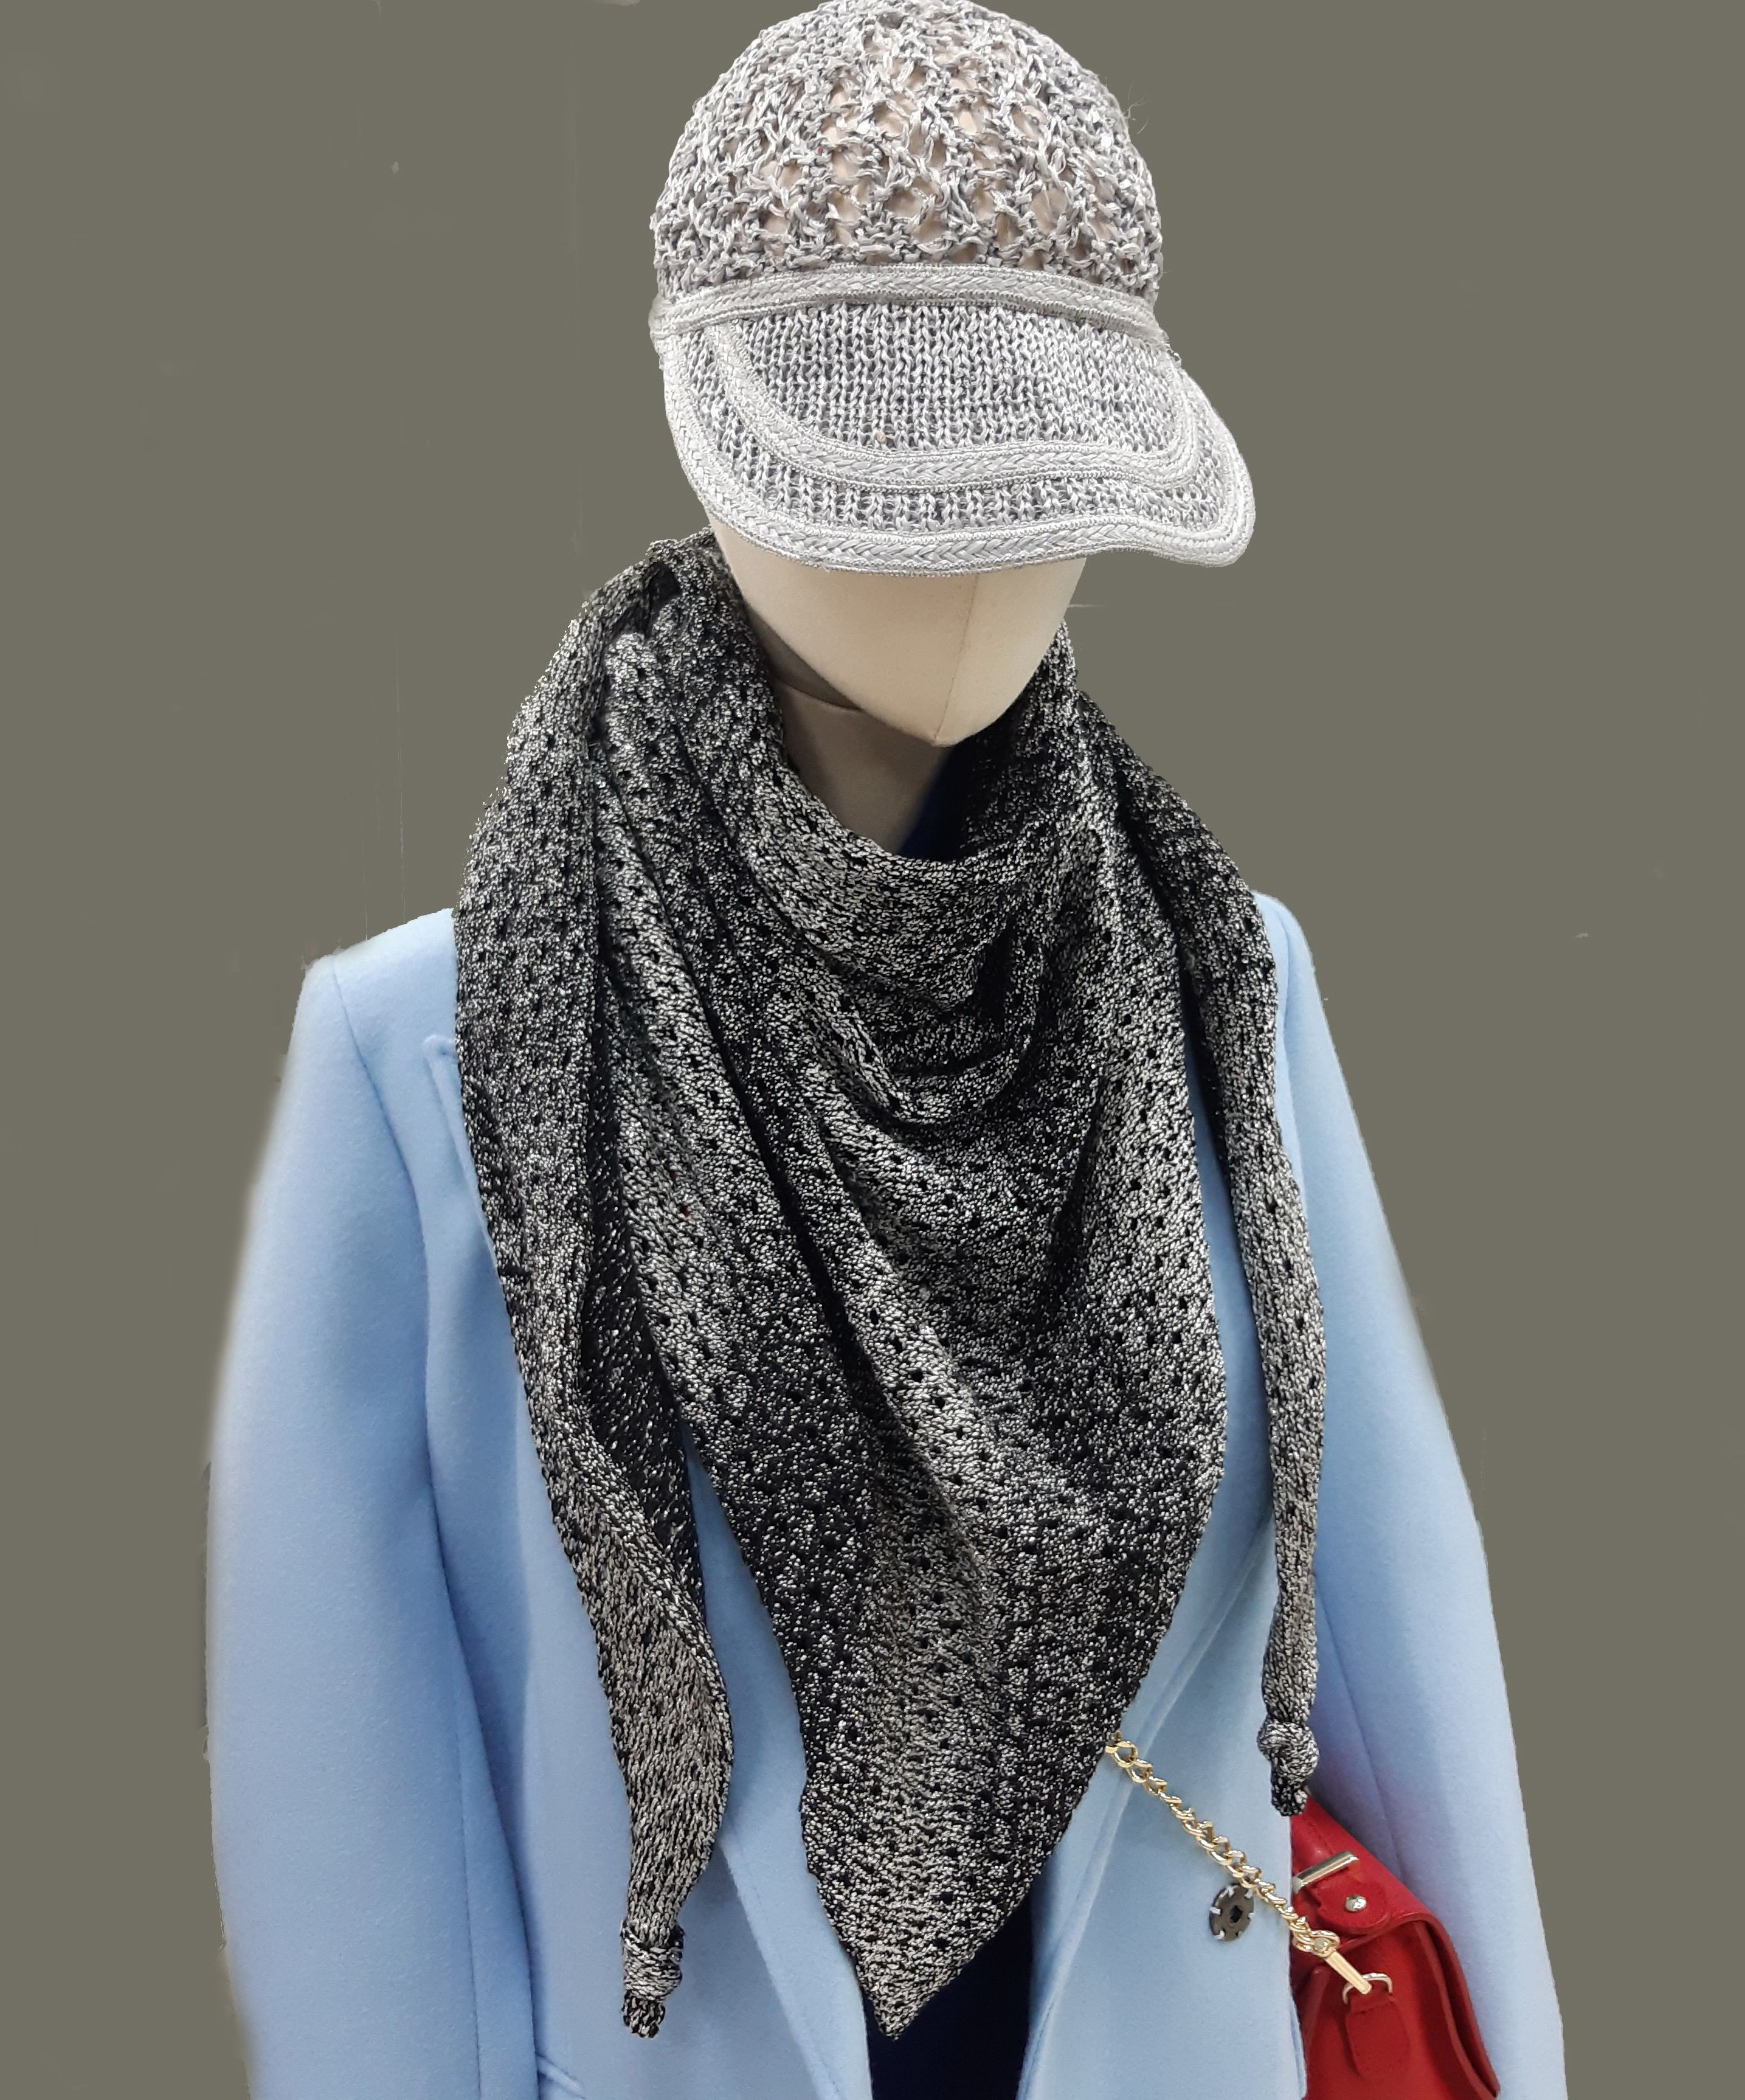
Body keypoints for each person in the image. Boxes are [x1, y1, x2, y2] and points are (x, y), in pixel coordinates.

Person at [206, 7, 1566, 2096]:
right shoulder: (427, 1059)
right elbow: (357, 1828)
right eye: (897, 472)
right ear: (704, 423)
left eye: (1029, 472)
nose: (971, 559)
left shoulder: (1224, 981)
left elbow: (1394, 1645)